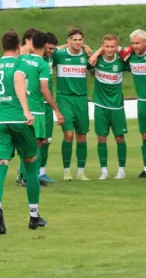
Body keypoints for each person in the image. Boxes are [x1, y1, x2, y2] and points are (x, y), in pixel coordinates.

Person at [0, 30, 46, 235]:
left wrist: (0, 100)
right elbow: (18, 80)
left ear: (1, 47)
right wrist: (26, 109)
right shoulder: (20, 64)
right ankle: (34, 216)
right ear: (18, 47)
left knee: (0, 167)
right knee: (32, 165)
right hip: (19, 120)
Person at [17, 32, 65, 187]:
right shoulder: (42, 64)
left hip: (23, 106)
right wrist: (56, 109)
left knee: (31, 143)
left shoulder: (23, 59)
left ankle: (24, 176)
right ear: (45, 45)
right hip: (37, 108)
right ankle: (30, 177)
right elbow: (44, 89)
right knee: (37, 143)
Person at [52, 28, 91, 181]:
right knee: (68, 134)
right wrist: (62, 46)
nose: (78, 42)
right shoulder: (59, 55)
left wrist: (88, 48)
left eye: (80, 39)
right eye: (74, 39)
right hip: (64, 98)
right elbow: (50, 51)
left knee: (82, 136)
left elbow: (100, 57)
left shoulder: (85, 55)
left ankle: (81, 171)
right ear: (68, 41)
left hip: (81, 99)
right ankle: (66, 170)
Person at [88, 35, 130, 180]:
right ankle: (104, 171)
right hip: (100, 105)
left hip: (117, 106)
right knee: (101, 138)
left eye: (113, 46)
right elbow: (87, 59)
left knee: (120, 138)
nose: (110, 49)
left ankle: (121, 170)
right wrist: (97, 52)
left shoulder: (121, 60)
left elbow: (129, 52)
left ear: (116, 47)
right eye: (106, 46)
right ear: (102, 46)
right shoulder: (96, 59)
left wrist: (117, 49)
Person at [124, 29, 146, 178]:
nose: (135, 46)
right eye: (133, 43)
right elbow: (116, 51)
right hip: (142, 102)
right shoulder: (129, 57)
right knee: (145, 135)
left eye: (138, 43)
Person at [39, 32, 59, 183]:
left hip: (47, 105)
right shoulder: (36, 59)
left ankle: (41, 171)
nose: (52, 51)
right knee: (36, 139)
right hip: (37, 103)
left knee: (47, 139)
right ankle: (26, 170)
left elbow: (65, 47)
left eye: (54, 49)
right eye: (50, 48)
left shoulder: (51, 56)